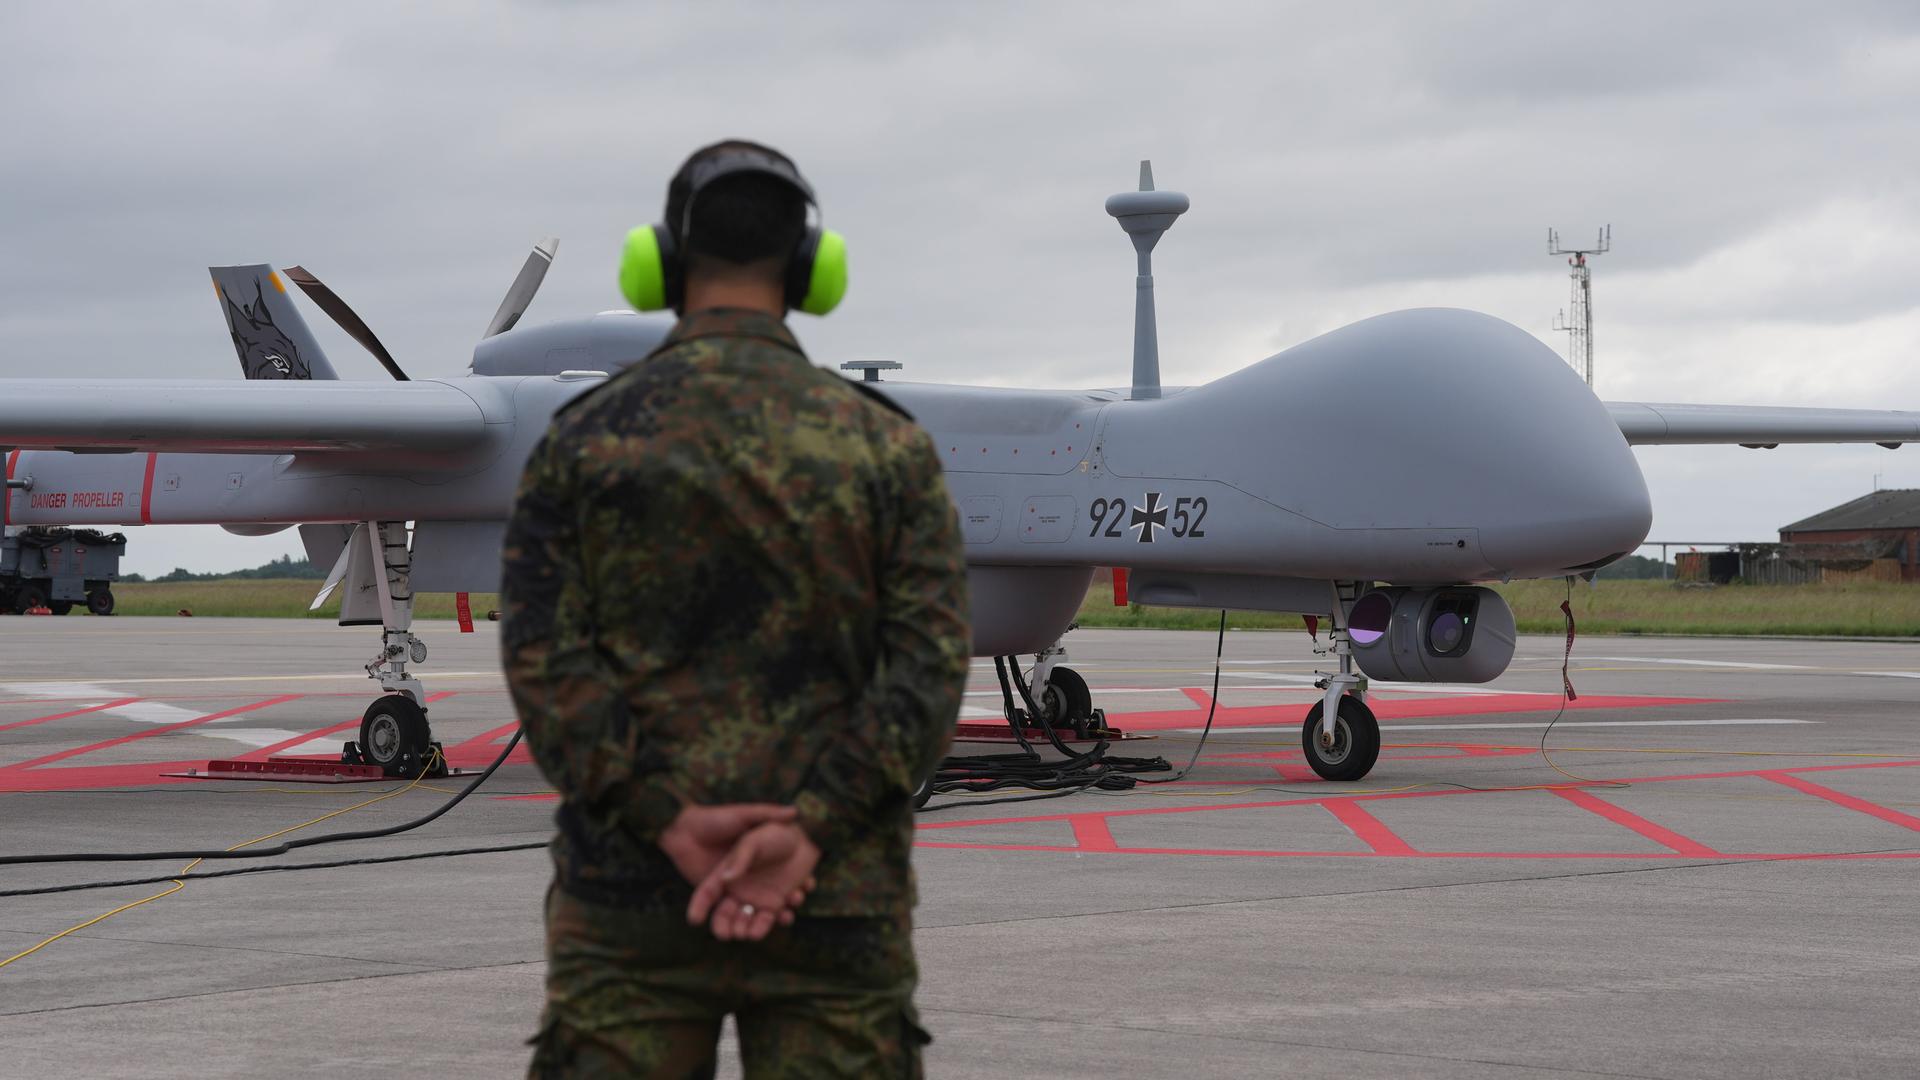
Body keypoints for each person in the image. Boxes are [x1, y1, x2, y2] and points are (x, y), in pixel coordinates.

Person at [501, 139, 971, 1078]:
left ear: (662, 267)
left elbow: (546, 659)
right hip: (832, 901)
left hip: (631, 894)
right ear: (809, 274)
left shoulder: (584, 442)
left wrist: (664, 815)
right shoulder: (887, 448)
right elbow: (926, 670)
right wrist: (809, 833)